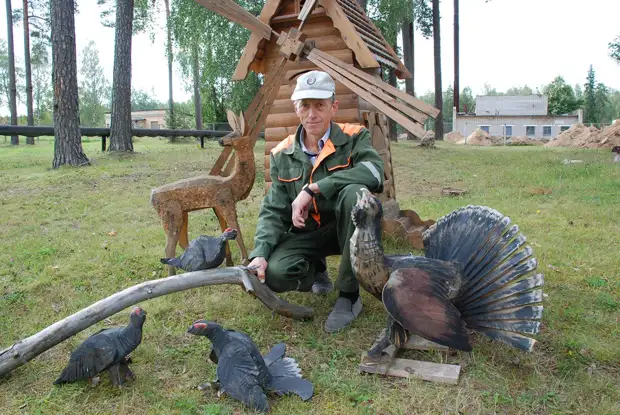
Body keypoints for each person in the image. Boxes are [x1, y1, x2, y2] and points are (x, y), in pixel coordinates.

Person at [247, 70, 385, 333]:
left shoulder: (355, 137)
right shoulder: (282, 153)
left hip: (348, 229)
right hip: (309, 234)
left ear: (333, 107)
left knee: (354, 192)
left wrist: (314, 188)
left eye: (320, 105)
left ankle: (349, 295)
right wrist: (260, 254)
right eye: (306, 105)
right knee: (275, 274)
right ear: (296, 108)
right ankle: (315, 270)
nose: (312, 114)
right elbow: (273, 210)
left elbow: (375, 173)